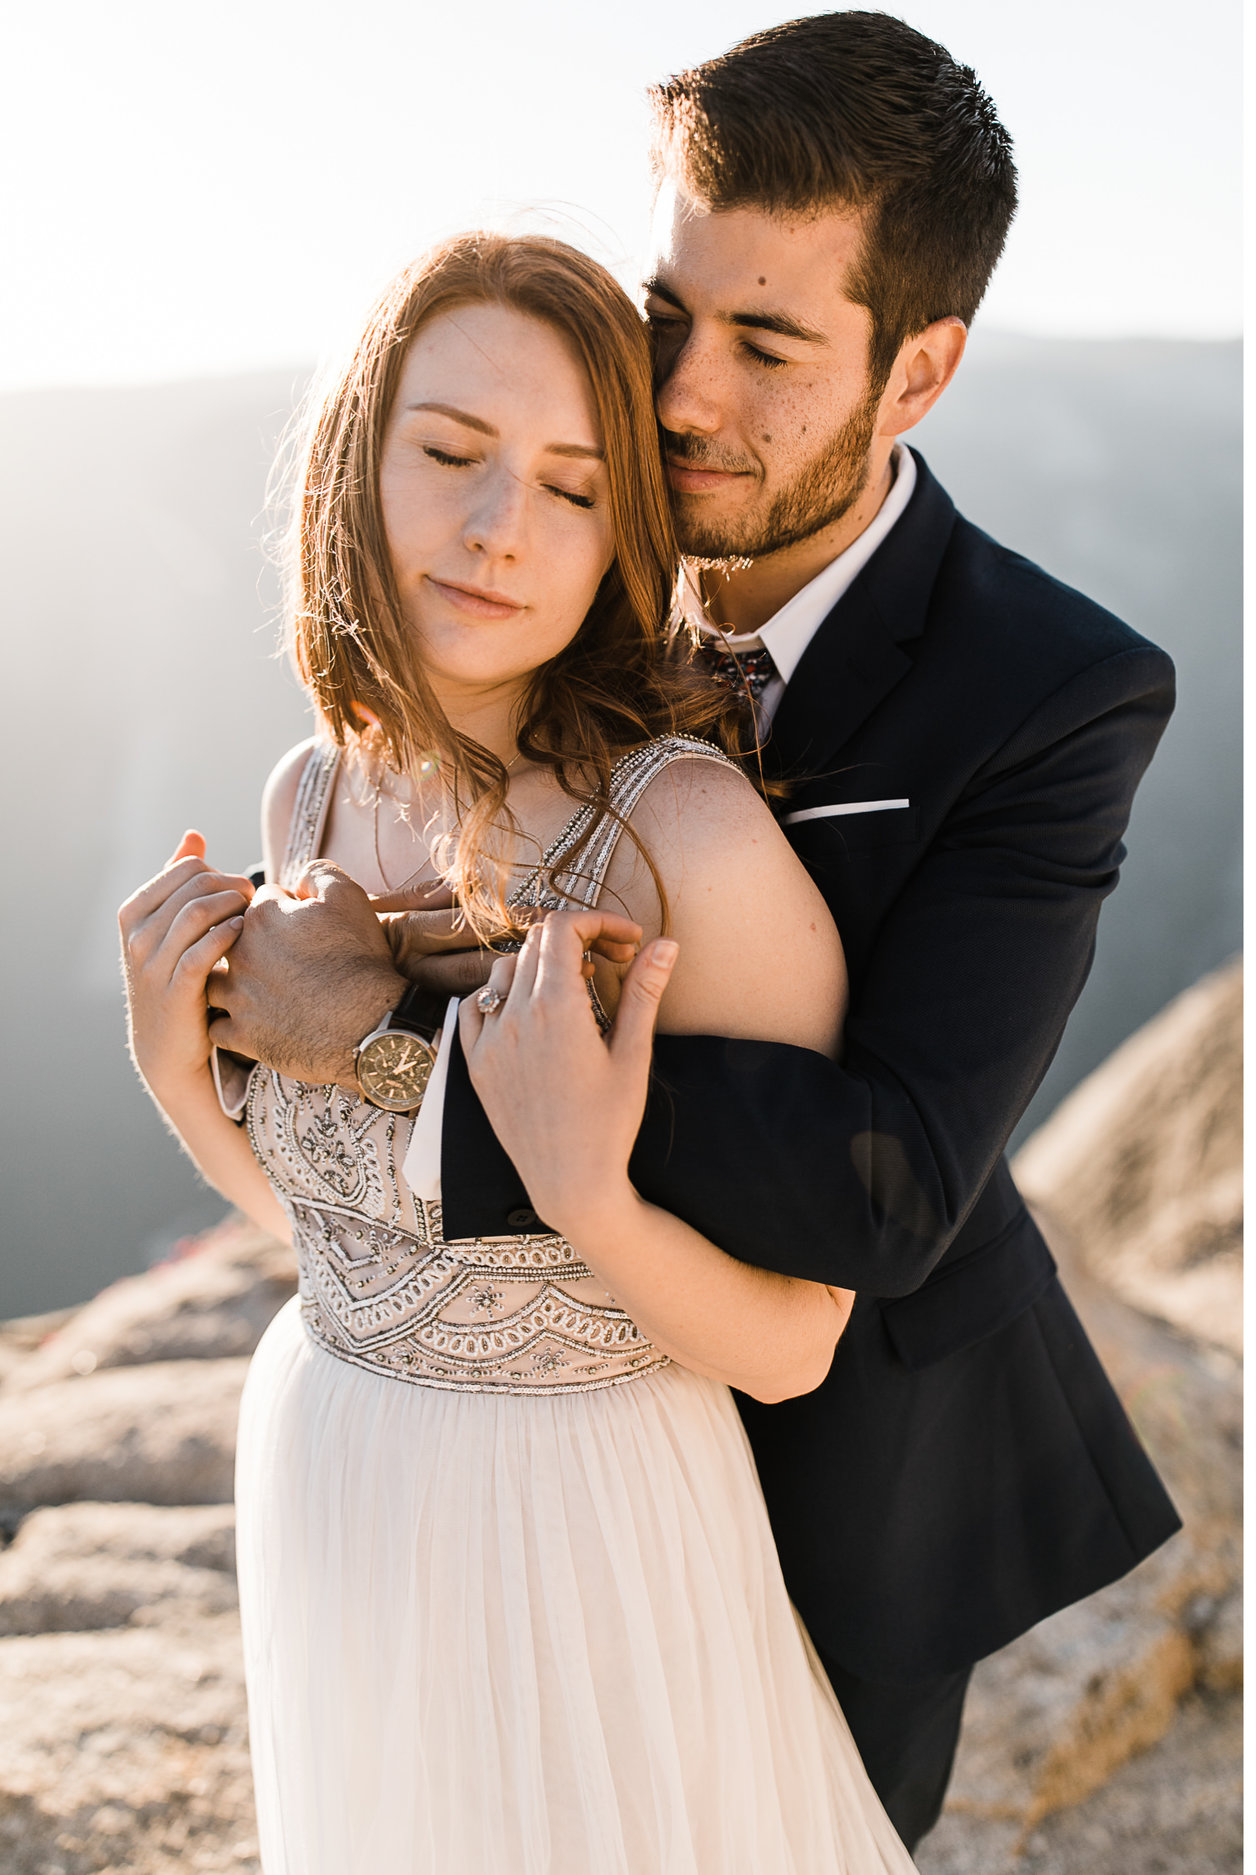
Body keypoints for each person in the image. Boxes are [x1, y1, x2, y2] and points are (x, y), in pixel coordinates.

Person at [190, 15, 1181, 1844]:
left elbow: (890, 1179)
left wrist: (386, 1029)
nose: (682, 399)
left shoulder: (1053, 693)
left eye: (772, 343)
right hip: (445, 1432)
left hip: (844, 1460)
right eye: (669, 316)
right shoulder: (553, 527)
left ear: (919, 372)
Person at [121, 232, 918, 1871]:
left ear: (626, 527)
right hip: (337, 1468)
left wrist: (597, 1202)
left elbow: (792, 1343)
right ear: (360, 463)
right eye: (452, 456)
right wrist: (171, 1071)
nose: (502, 533)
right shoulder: (311, 794)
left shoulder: (688, 844)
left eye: (571, 487)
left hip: (585, 1527)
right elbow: (347, 1241)